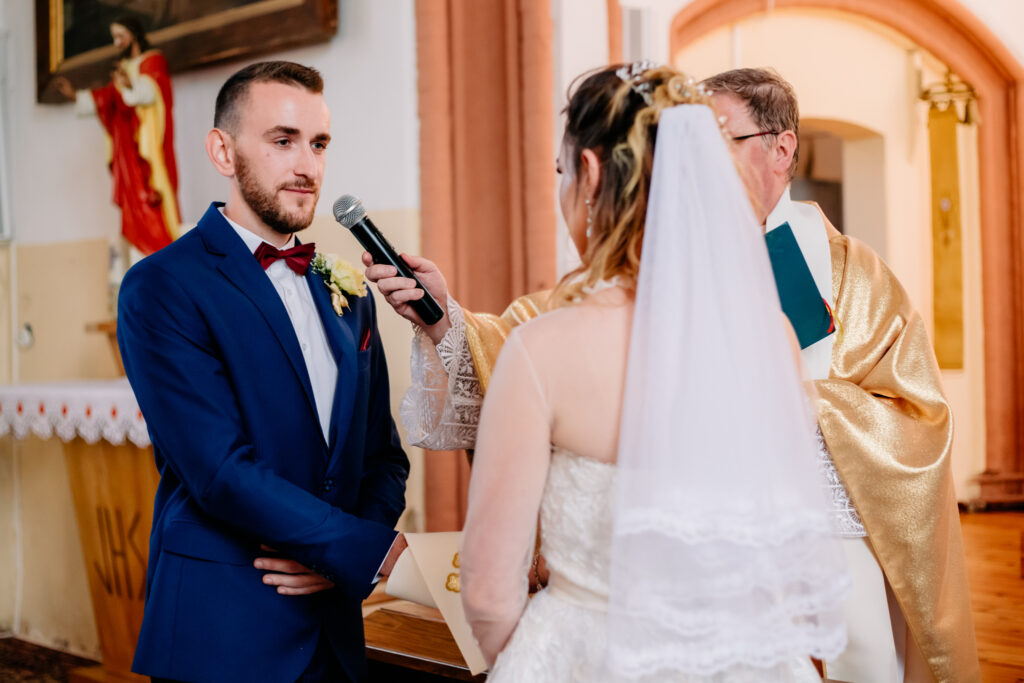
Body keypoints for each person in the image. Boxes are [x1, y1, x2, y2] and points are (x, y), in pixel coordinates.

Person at [370, 66, 978, 683]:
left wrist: (812, 411)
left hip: (817, 563)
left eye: (717, 142)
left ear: (781, 148)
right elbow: (512, 341)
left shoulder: (852, 275)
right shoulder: (758, 331)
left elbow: (916, 416)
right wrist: (447, 321)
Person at [460, 64, 849, 680]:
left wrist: (545, 658)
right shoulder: (769, 335)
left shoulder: (542, 351)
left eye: (562, 173)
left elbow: (487, 592)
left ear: (590, 174)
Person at [117, 61, 409, 683]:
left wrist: (336, 562)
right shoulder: (163, 285)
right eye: (283, 140)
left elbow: (383, 457)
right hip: (226, 629)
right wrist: (361, 550)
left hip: (334, 631)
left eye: (319, 144)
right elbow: (219, 471)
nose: (307, 166)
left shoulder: (348, 292)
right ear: (223, 151)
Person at [54, 16, 180, 255]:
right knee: (132, 203)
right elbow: (107, 98)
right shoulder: (122, 68)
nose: (117, 42)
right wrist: (74, 95)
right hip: (126, 150)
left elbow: (154, 92)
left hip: (146, 148)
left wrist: (131, 85)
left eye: (120, 36)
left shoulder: (152, 61)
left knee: (151, 199)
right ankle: (141, 254)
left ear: (133, 34)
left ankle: (163, 254)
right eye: (114, 37)